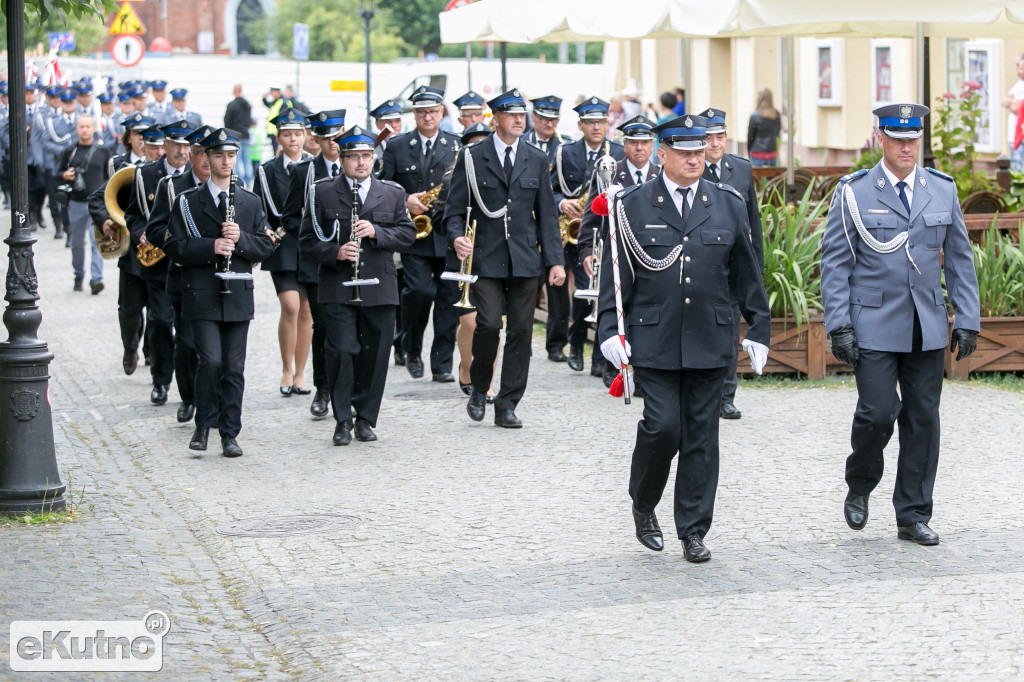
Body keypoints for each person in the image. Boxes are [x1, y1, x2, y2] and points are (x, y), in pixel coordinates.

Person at [597, 114, 770, 562]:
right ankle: (643, 501)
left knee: (701, 437)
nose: (696, 158)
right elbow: (616, 278)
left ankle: (693, 529)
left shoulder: (726, 201)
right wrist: (608, 331)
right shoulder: (632, 204)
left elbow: (747, 272)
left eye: (700, 150)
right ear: (663, 154)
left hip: (710, 337)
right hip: (653, 338)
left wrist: (760, 329)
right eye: (685, 152)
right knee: (663, 427)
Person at [821, 103, 980, 546]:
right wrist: (839, 324)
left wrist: (966, 318)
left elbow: (961, 261)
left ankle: (912, 514)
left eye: (913, 139)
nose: (907, 147)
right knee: (877, 412)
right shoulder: (855, 191)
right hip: (872, 321)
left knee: (923, 419)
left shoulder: (941, 189)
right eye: (897, 138)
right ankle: (861, 480)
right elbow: (834, 262)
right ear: (880, 139)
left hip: (925, 322)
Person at [445, 88, 565, 428]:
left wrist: (555, 261)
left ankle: (508, 403)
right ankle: (480, 387)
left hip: (525, 258)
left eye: (521, 115)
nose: (518, 120)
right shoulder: (471, 157)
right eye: (511, 115)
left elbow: (546, 214)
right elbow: (453, 211)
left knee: (522, 332)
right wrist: (456, 237)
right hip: (485, 257)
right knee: (488, 326)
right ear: (495, 119)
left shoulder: (536, 158)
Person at [299, 126, 416, 445]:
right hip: (338, 286)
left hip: (379, 285)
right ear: (343, 158)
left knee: (374, 353)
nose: (361, 163)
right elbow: (306, 240)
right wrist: (334, 251)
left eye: (366, 156)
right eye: (354, 157)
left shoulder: (392, 192)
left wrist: (378, 232)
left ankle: (366, 417)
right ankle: (342, 419)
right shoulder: (321, 191)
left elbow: (408, 234)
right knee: (340, 350)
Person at [164, 128, 275, 458]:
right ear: (205, 158)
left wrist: (240, 238)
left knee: (234, 366)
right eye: (218, 156)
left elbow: (264, 246)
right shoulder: (187, 202)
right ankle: (203, 424)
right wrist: (210, 246)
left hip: (237, 292)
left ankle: (230, 432)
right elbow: (173, 245)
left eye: (230, 156)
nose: (225, 162)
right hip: (201, 292)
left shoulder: (249, 201)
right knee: (210, 360)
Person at [379, 85, 462, 383]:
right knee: (418, 292)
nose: (428, 116)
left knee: (448, 298)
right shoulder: (397, 146)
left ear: (441, 112)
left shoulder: (456, 144)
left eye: (433, 111)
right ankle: (411, 348)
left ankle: (442, 363)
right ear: (414, 114)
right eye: (422, 112)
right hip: (413, 234)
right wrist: (405, 200)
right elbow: (384, 186)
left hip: (446, 233)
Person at [576, 114, 660, 387]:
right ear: (624, 145)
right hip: (615, 252)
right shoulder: (610, 170)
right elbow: (591, 213)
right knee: (613, 305)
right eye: (633, 142)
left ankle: (640, 364)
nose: (639, 148)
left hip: (648, 254)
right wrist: (587, 249)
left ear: (653, 145)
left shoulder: (661, 174)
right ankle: (609, 364)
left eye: (645, 142)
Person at [550, 96, 625, 379]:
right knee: (582, 296)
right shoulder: (563, 153)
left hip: (605, 234)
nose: (596, 127)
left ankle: (598, 357)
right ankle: (577, 344)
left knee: (604, 298)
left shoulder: (618, 152)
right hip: (574, 234)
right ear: (580, 125)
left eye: (601, 122)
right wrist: (562, 203)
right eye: (590, 122)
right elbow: (549, 190)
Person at [280, 109, 347, 420]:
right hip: (318, 264)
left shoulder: (361, 166)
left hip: (354, 262)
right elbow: (290, 217)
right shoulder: (304, 172)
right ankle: (323, 389)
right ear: (316, 140)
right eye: (327, 136)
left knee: (350, 330)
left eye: (338, 134)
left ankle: (349, 389)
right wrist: (318, 237)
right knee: (323, 327)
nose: (334, 142)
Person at [145, 124, 214, 424]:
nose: (205, 160)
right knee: (185, 343)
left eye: (208, 153)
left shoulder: (229, 185)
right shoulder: (171, 186)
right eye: (198, 153)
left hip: (217, 280)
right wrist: (178, 243)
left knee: (213, 349)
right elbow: (155, 229)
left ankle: (213, 399)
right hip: (183, 277)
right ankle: (188, 397)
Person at [699, 107, 765, 420]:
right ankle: (702, 391)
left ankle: (726, 395)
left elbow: (753, 221)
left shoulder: (740, 168)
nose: (715, 143)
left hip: (733, 264)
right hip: (701, 263)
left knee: (729, 331)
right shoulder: (689, 166)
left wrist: (757, 265)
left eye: (720, 136)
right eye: (709, 137)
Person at [125, 119, 196, 407]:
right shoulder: (145, 175)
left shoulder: (198, 173)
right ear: (163, 145)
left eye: (185, 145)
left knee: (188, 330)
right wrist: (139, 231)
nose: (181, 150)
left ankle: (189, 388)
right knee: (161, 321)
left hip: (189, 262)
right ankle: (160, 380)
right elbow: (132, 213)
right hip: (158, 264)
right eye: (175, 144)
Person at [254, 107, 314, 397]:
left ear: (305, 135)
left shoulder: (314, 166)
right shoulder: (266, 171)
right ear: (278, 137)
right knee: (290, 305)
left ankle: (301, 373)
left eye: (297, 134)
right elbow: (258, 209)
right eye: (287, 134)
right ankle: (285, 368)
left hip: (310, 246)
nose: (293, 139)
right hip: (282, 245)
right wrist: (264, 228)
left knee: (307, 309)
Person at [88, 112, 153, 375]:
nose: (143, 141)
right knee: (129, 308)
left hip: (157, 245)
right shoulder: (119, 164)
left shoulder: (161, 164)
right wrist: (106, 220)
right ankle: (130, 347)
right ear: (129, 138)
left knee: (159, 309)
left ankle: (152, 352)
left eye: (148, 136)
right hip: (131, 249)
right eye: (138, 135)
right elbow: (99, 198)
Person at [57, 114, 112, 294]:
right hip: (76, 202)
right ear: (77, 129)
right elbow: (58, 174)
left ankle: (96, 279)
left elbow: (110, 177)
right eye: (82, 126)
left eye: (88, 126)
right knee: (77, 243)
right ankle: (78, 274)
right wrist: (66, 175)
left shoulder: (103, 151)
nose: (85, 130)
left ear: (94, 128)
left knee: (97, 241)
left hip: (97, 204)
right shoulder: (70, 151)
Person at [523, 95, 567, 168]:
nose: (549, 124)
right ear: (532, 117)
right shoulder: (519, 142)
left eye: (553, 120)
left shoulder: (565, 145)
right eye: (545, 119)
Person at [224, 84, 253, 187]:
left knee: (237, 159)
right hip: (246, 134)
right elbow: (249, 120)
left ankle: (240, 181)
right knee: (247, 159)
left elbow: (227, 121)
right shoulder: (248, 105)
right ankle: (249, 182)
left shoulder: (232, 105)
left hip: (235, 135)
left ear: (235, 91)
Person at [747, 88, 782, 168]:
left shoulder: (754, 116)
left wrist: (749, 153)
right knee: (774, 180)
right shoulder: (777, 115)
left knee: (757, 180)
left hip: (757, 155)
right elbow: (777, 134)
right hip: (772, 155)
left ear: (759, 98)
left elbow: (750, 136)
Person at [1001, 54, 1024, 171]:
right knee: (1016, 177)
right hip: (1014, 138)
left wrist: (1014, 103)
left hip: (1022, 138)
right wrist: (1015, 103)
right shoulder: (1019, 83)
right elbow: (1004, 100)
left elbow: (1019, 106)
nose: (1016, 68)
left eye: (1018, 64)